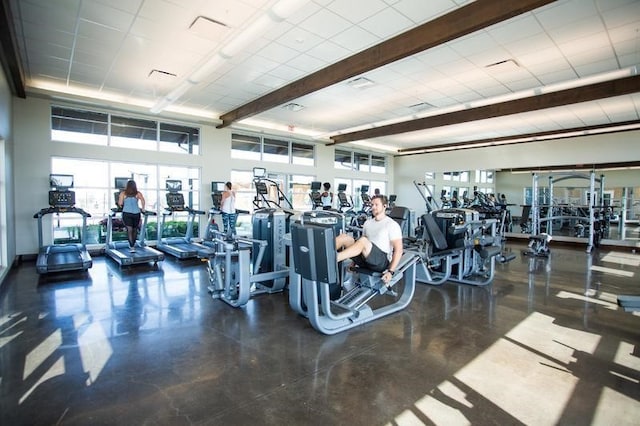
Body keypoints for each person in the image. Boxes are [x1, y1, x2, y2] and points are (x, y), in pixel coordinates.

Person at [335, 195, 402, 285]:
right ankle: (322, 254)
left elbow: (398, 250)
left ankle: (334, 258)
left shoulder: (391, 224)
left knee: (363, 240)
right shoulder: (368, 223)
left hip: (381, 262)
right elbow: (359, 246)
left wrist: (390, 271)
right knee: (345, 238)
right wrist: (354, 263)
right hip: (366, 259)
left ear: (385, 206)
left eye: (376, 205)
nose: (373, 207)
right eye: (372, 205)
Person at [118, 180, 145, 252]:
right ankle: (133, 244)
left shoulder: (123, 193)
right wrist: (143, 208)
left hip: (127, 213)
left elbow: (120, 203)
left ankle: (131, 246)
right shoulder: (138, 193)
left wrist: (121, 205)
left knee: (129, 230)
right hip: (136, 213)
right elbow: (143, 200)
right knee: (135, 229)